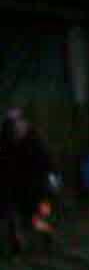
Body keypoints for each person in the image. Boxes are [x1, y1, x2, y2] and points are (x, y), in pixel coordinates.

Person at [0, 109, 54, 256]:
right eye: (12, 125)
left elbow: (48, 165)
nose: (16, 127)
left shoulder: (35, 142)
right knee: (14, 217)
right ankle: (17, 245)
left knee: (40, 216)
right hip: (16, 187)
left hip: (38, 188)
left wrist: (52, 184)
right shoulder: (6, 143)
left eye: (18, 123)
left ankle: (46, 238)